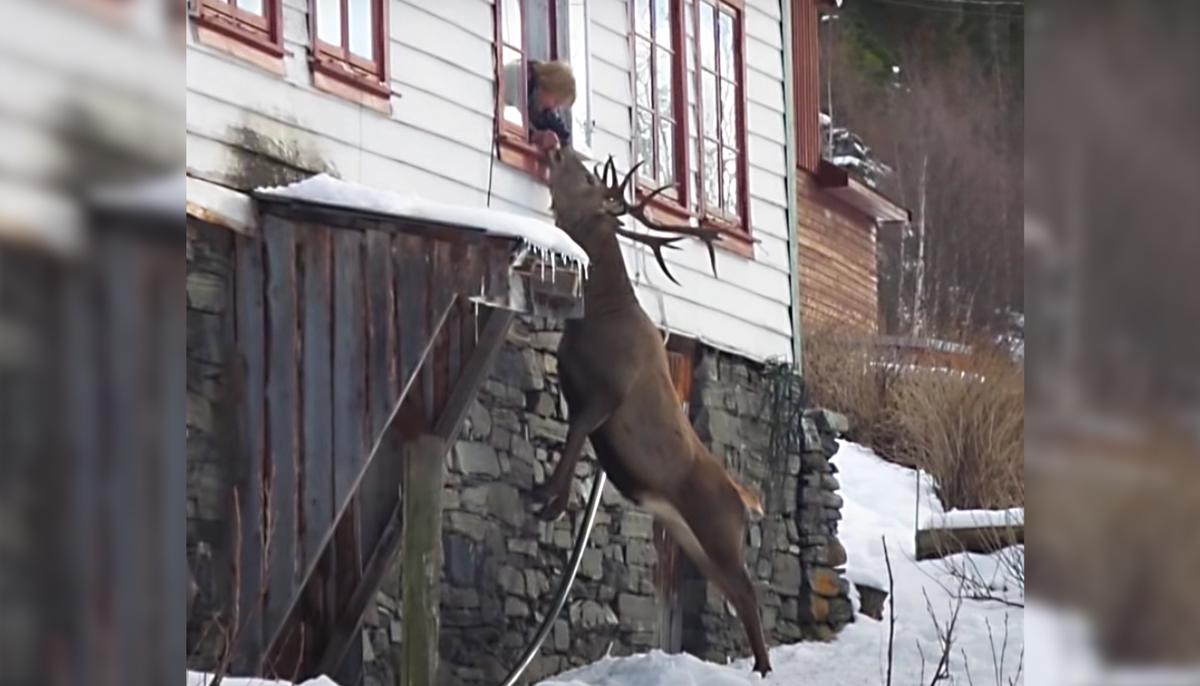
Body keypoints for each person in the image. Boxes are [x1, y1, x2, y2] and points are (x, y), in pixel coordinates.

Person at [502, 59, 575, 153]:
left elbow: (563, 136)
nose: (553, 108)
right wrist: (536, 136)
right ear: (549, 86)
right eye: (556, 102)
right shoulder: (520, 77)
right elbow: (514, 124)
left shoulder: (535, 96)